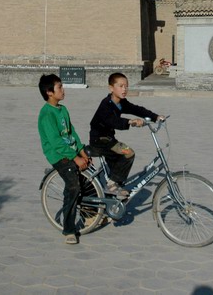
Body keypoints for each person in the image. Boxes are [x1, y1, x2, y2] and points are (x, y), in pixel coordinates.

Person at [89, 72, 165, 198]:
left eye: (126, 86)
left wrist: (155, 116)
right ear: (111, 88)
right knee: (128, 153)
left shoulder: (121, 102)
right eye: (121, 86)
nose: (124, 89)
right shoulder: (106, 105)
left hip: (109, 139)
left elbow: (136, 109)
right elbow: (113, 121)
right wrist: (130, 121)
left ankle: (110, 199)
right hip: (99, 141)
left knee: (118, 167)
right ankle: (112, 185)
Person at [37, 73, 90, 244]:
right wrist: (75, 158)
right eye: (60, 87)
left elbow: (71, 132)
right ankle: (69, 229)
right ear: (49, 92)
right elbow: (56, 143)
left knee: (90, 179)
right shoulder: (47, 114)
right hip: (59, 155)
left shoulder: (62, 109)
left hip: (72, 151)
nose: (63, 90)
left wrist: (81, 151)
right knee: (73, 187)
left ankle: (91, 214)